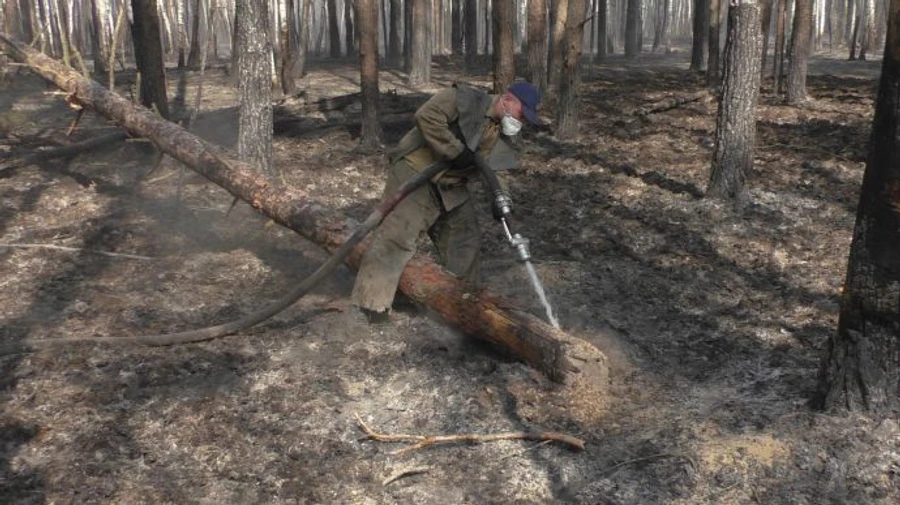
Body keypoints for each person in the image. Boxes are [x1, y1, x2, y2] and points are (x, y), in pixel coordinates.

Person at [350, 81, 542, 321]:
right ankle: (369, 308)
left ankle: (460, 308)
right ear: (508, 99)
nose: (520, 122)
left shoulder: (502, 131)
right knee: (396, 237)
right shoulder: (463, 99)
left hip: (452, 183)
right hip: (416, 171)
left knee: (465, 240)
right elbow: (426, 116)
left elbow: (497, 171)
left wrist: (501, 198)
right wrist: (455, 151)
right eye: (521, 114)